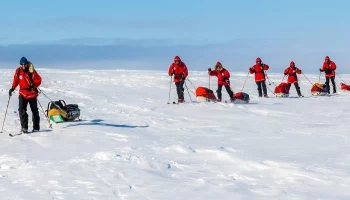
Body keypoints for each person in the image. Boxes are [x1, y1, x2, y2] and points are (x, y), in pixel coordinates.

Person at [9, 57, 42, 133]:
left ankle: (36, 127)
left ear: (27, 64)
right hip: (22, 94)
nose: (23, 66)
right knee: (22, 110)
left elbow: (39, 80)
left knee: (34, 111)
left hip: (32, 94)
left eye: (25, 64)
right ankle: (24, 128)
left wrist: (33, 85)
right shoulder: (18, 71)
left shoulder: (32, 71)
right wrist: (12, 88)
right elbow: (16, 80)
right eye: (22, 64)